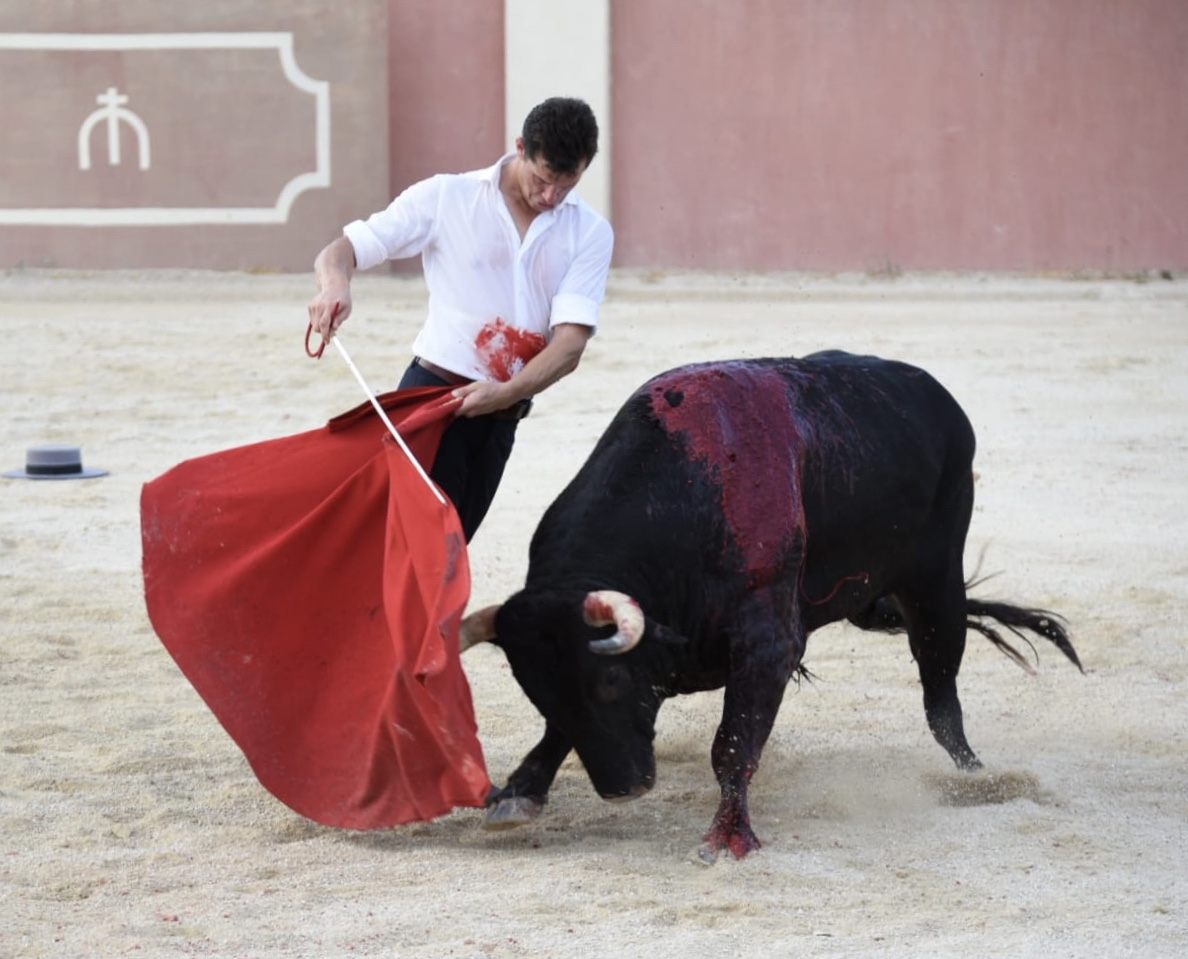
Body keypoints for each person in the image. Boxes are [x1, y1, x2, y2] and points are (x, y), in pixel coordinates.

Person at [307, 97, 614, 541]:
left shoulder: (589, 231)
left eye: (566, 186)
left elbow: (569, 346)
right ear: (521, 148)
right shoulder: (448, 196)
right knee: (404, 548)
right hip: (432, 399)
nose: (550, 197)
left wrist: (505, 394)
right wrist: (335, 284)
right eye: (543, 179)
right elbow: (343, 250)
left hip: (504, 414)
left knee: (451, 550)